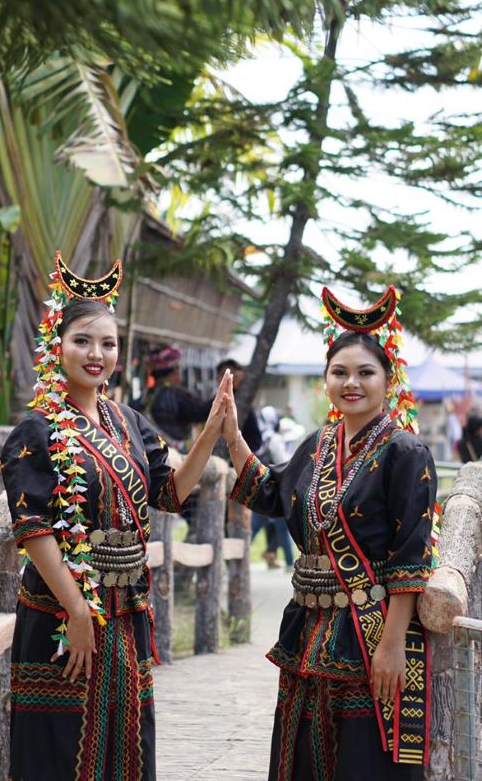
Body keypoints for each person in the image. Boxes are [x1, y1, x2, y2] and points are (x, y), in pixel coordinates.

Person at [0, 251, 231, 781]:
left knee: (125, 742)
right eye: (82, 340)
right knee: (60, 748)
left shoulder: (127, 420)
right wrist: (78, 613)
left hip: (125, 612)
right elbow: (33, 530)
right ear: (57, 347)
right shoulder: (36, 430)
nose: (96, 353)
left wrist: (212, 432)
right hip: (63, 611)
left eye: (108, 343)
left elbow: (168, 493)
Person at [223, 285, 437, 781]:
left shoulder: (406, 453)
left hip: (371, 631)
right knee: (304, 757)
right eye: (339, 372)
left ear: (388, 379)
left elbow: (412, 556)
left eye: (365, 372)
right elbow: (272, 493)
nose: (351, 383)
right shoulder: (316, 445)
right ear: (326, 380)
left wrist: (392, 644)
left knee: (364, 760)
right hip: (309, 627)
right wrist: (232, 435)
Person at [146, 345, 211, 451]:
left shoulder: (148, 395)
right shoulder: (176, 394)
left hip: (154, 451)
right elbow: (202, 412)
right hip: (176, 455)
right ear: (175, 371)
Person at [252, 406, 294, 570]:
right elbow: (283, 462)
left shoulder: (258, 438)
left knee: (253, 528)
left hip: (260, 488)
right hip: (276, 489)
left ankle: (234, 561)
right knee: (282, 528)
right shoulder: (273, 439)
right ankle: (290, 563)